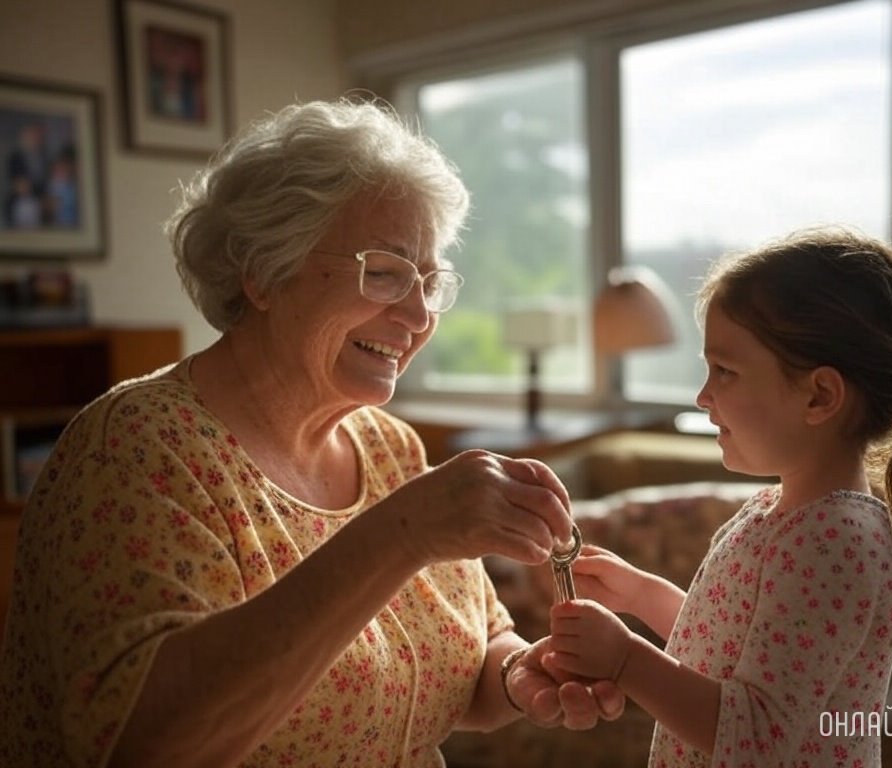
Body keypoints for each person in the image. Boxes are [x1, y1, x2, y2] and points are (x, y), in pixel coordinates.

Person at [0, 97, 623, 768]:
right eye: (384, 273)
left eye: (430, 281)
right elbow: (145, 745)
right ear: (266, 273)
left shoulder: (389, 446)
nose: (419, 316)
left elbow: (469, 656)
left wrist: (518, 674)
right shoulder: (137, 449)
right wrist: (402, 533)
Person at [547, 227, 892, 766]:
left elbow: (756, 735)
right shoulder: (779, 512)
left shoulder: (834, 543)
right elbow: (731, 652)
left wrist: (626, 660)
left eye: (725, 370)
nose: (703, 395)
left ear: (819, 395)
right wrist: (640, 595)